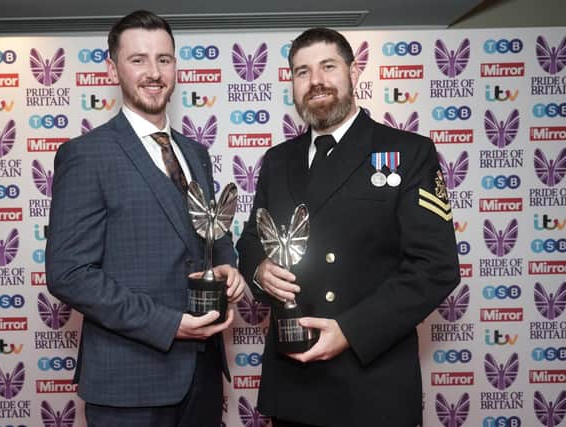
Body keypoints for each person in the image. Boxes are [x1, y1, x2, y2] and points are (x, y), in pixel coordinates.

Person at [236, 27, 460, 427]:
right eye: (302, 72)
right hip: (294, 383)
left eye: (328, 66)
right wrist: (259, 269)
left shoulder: (407, 153)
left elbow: (435, 267)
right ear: (291, 82)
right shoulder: (277, 160)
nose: (316, 81)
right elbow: (253, 238)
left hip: (372, 383)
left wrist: (352, 331)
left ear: (353, 72)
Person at [45, 10, 245, 427]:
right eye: (138, 60)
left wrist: (229, 267)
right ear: (112, 66)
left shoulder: (195, 154)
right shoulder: (86, 155)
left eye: (164, 59)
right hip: (128, 385)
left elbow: (209, 233)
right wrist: (168, 324)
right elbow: (69, 274)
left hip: (203, 377)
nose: (154, 72)